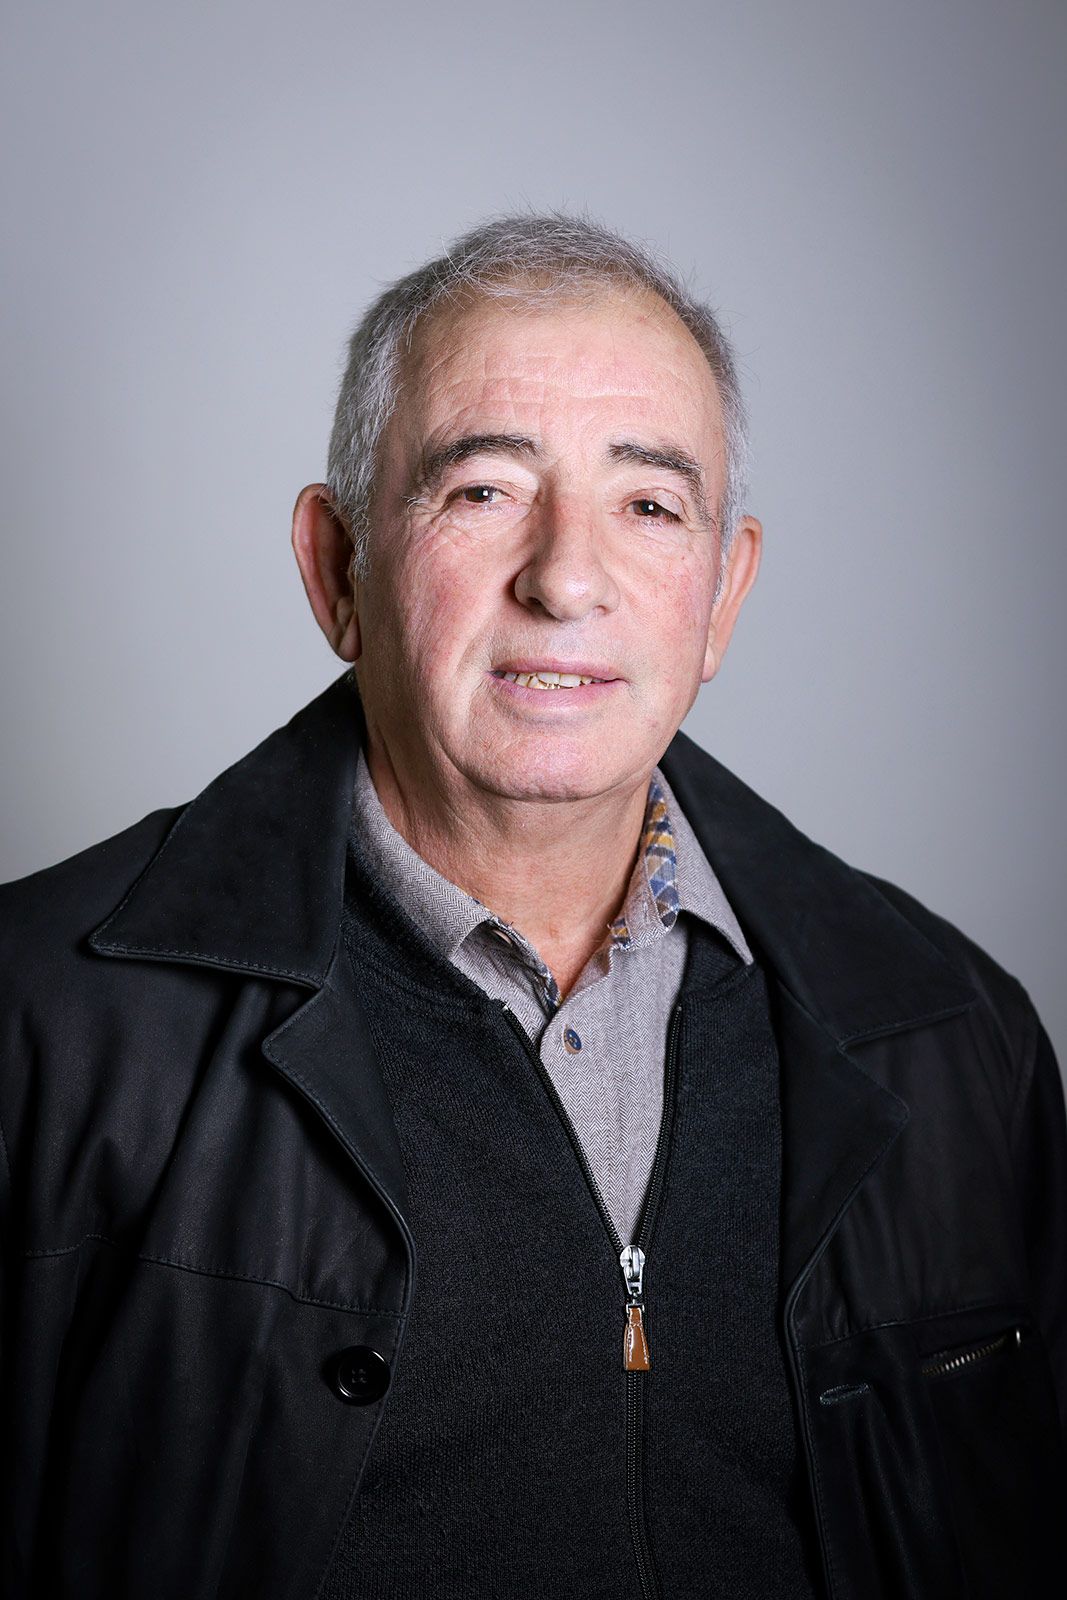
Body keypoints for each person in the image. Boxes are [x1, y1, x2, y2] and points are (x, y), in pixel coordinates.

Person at [1, 213, 1064, 1600]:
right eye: (483, 490)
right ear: (336, 569)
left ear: (722, 595)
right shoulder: (43, 1027)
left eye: (649, 505)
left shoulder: (955, 1039)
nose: (566, 578)